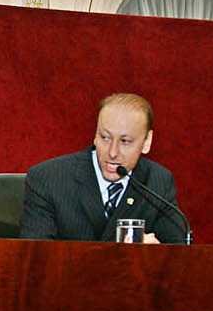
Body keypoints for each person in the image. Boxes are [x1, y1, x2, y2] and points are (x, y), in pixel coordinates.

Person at [19, 92, 186, 244]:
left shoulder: (158, 182)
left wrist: (158, 255)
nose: (112, 153)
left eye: (125, 141)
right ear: (95, 134)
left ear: (147, 141)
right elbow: (35, 261)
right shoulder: (48, 178)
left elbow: (179, 258)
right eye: (105, 137)